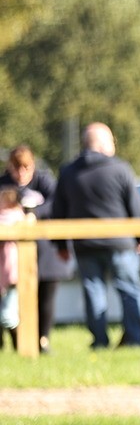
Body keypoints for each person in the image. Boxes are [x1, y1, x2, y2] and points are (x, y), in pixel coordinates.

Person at [51, 123, 140, 349]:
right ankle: (134, 340)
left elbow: (59, 211)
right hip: (120, 243)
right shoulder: (120, 169)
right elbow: (135, 207)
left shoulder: (68, 172)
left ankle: (99, 341)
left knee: (93, 293)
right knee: (129, 290)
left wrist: (61, 245)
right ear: (104, 144)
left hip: (84, 244)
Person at [1, 145, 67, 354]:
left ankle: (42, 340)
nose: (21, 173)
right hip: (9, 257)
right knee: (10, 303)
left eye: (26, 168)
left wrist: (34, 214)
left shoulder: (45, 182)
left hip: (45, 251)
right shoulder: (4, 184)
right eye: (16, 168)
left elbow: (57, 204)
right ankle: (15, 343)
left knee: (45, 298)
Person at [0, 187, 24, 350]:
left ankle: (19, 345)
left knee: (8, 314)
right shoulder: (22, 219)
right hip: (12, 274)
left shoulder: (13, 221)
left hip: (10, 274)